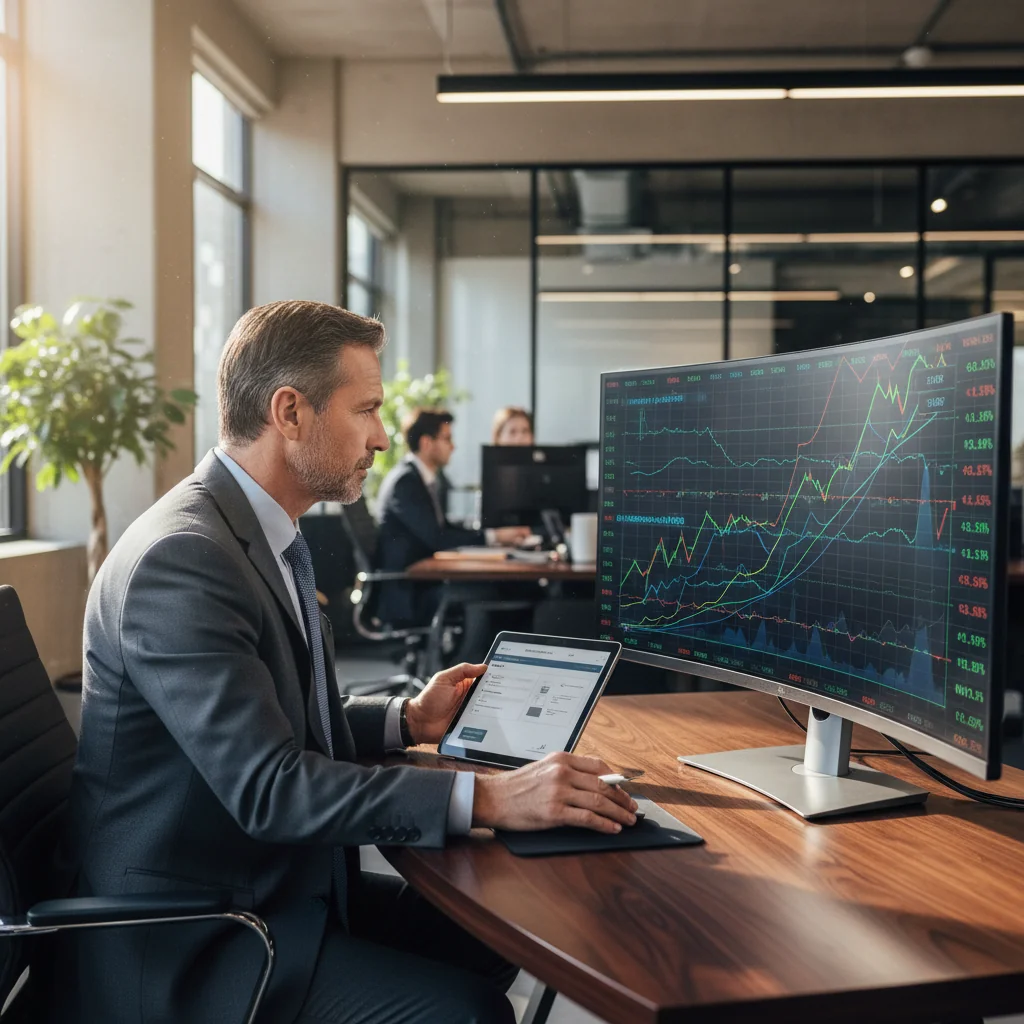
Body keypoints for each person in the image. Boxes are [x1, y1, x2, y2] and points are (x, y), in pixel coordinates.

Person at [53, 300, 638, 1024]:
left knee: (492, 932)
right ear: (289, 412)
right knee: (470, 1011)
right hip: (196, 940)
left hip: (272, 886)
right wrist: (492, 799)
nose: (384, 437)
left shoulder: (253, 536)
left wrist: (409, 720)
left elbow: (279, 721)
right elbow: (271, 786)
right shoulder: (186, 560)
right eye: (366, 411)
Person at [374, 407, 528, 626]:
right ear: (427, 443)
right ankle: (469, 658)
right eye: (447, 439)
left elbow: (443, 527)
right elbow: (438, 538)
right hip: (408, 593)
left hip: (419, 584)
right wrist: (493, 537)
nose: (453, 447)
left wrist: (493, 536)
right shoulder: (406, 482)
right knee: (485, 592)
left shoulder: (420, 479)